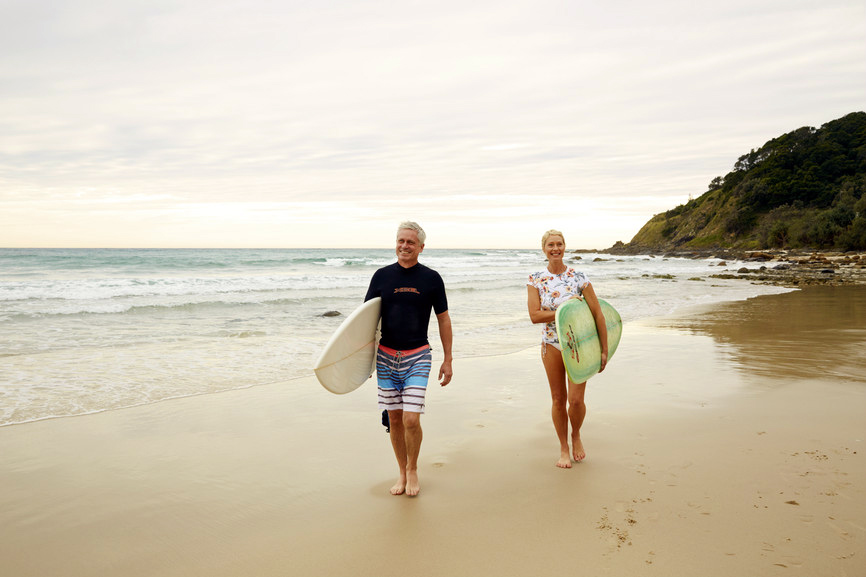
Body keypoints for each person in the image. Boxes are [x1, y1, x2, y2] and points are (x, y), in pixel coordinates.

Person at [364, 221, 453, 496]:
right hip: (386, 358)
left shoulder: (431, 278)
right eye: (401, 241)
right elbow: (366, 320)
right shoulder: (381, 276)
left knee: (411, 420)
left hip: (418, 356)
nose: (404, 246)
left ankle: (413, 469)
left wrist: (448, 359)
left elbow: (443, 319)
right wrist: (361, 362)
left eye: (410, 242)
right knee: (394, 418)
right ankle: (401, 472)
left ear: (421, 247)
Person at [527, 229, 608, 469]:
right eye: (550, 245)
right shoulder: (535, 279)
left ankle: (576, 435)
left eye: (559, 244)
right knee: (558, 399)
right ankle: (564, 447)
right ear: (544, 249)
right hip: (551, 345)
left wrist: (604, 350)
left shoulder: (578, 277)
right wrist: (564, 309)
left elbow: (597, 313)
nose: (555, 248)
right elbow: (534, 315)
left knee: (575, 400)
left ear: (564, 247)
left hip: (579, 345)